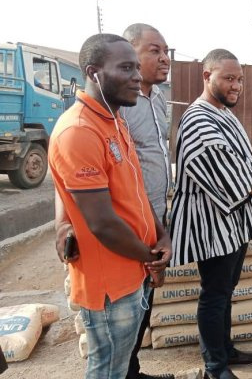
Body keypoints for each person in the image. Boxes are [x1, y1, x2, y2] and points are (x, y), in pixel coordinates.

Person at [54, 24, 175, 379]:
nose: (137, 76)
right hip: (109, 282)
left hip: (133, 268)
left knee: (122, 366)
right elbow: (102, 223)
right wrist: (152, 257)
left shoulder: (114, 121)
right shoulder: (79, 130)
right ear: (94, 72)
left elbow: (137, 189)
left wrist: (161, 234)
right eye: (127, 68)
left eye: (137, 68)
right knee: (108, 370)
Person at [169, 49, 252, 379]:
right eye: (228, 78)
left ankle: (225, 350)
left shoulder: (221, 112)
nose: (236, 85)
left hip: (231, 222)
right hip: (211, 223)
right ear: (206, 76)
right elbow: (226, 171)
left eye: (239, 79)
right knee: (214, 294)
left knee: (226, 289)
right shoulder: (199, 118)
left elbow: (241, 166)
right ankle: (215, 367)